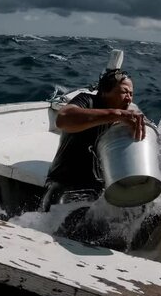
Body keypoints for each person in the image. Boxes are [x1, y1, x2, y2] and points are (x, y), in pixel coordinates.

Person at [39, 69, 146, 212]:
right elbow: (63, 119)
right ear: (104, 92)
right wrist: (116, 114)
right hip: (65, 182)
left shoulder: (128, 117)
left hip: (98, 189)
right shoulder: (87, 101)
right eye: (124, 92)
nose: (129, 98)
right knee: (56, 213)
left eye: (131, 94)